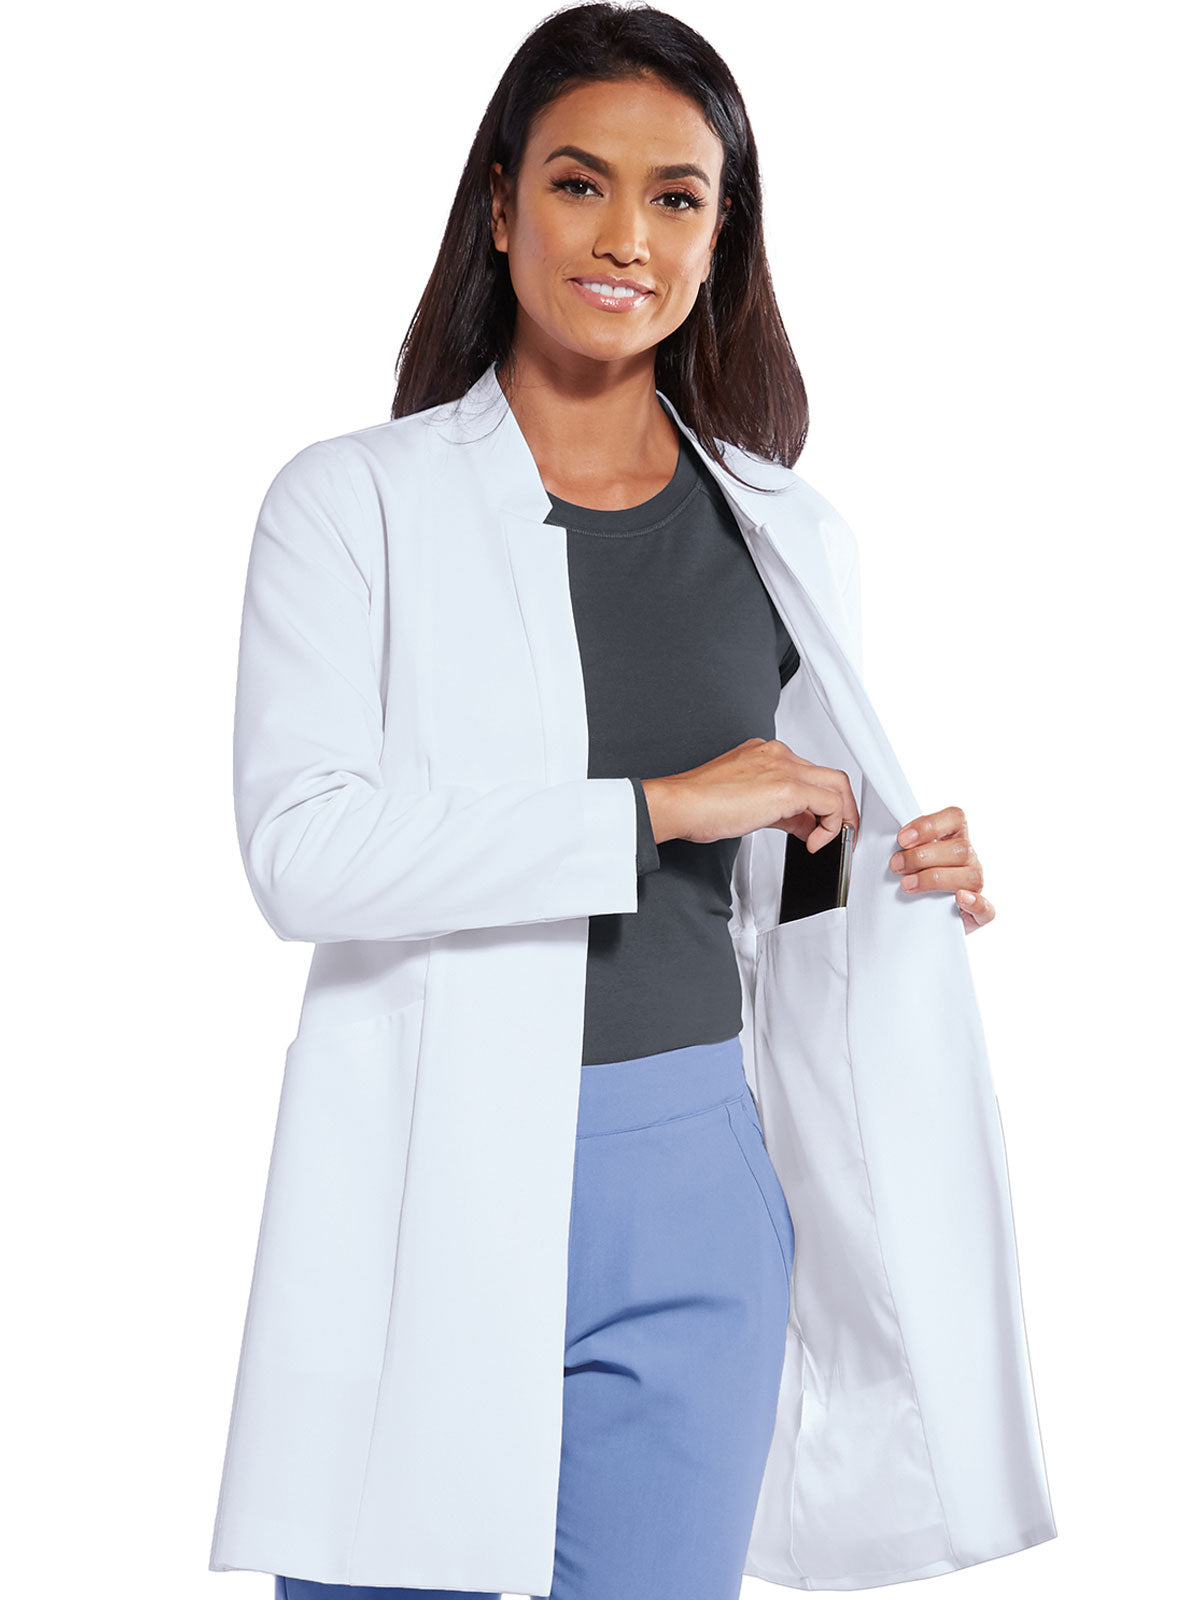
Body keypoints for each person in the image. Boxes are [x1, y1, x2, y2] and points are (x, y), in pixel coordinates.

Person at [211, 8, 1044, 1600]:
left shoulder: (788, 529)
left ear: (721, 238)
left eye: (677, 197)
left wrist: (889, 868)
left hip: (692, 1181)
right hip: (430, 1171)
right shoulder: (351, 502)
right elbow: (302, 853)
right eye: (580, 183)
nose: (626, 238)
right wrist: (657, 805)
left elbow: (779, 864)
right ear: (501, 203)